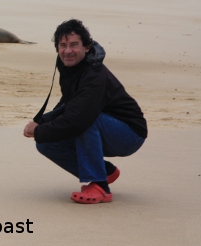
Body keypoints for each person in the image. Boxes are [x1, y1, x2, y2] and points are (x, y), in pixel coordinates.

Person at [23, 19, 147, 204]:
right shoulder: (68, 65)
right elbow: (69, 103)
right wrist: (43, 122)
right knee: (46, 143)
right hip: (101, 126)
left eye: (74, 45)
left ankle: (100, 187)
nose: (68, 51)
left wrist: (39, 130)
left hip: (129, 134)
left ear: (87, 47)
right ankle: (105, 171)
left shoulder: (94, 75)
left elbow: (78, 118)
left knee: (85, 121)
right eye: (63, 45)